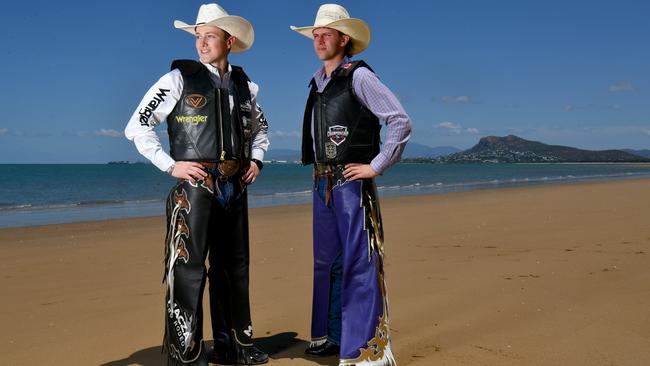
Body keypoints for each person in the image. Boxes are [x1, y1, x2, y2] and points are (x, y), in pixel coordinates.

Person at [125, 4, 269, 365]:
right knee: (188, 270)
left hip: (234, 187)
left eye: (210, 36)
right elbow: (138, 126)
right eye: (198, 36)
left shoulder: (245, 86)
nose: (202, 43)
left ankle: (233, 346)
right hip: (194, 188)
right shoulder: (177, 80)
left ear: (229, 41)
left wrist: (256, 160)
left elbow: (261, 129)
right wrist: (170, 165)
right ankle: (187, 354)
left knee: (233, 268)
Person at [290, 4, 412, 365]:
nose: (320, 39)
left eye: (327, 33)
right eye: (316, 34)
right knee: (326, 262)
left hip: (350, 183)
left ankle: (365, 351)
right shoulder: (317, 82)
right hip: (321, 181)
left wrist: (376, 166)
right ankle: (330, 336)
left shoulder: (359, 77)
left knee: (360, 261)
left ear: (345, 39)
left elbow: (399, 120)